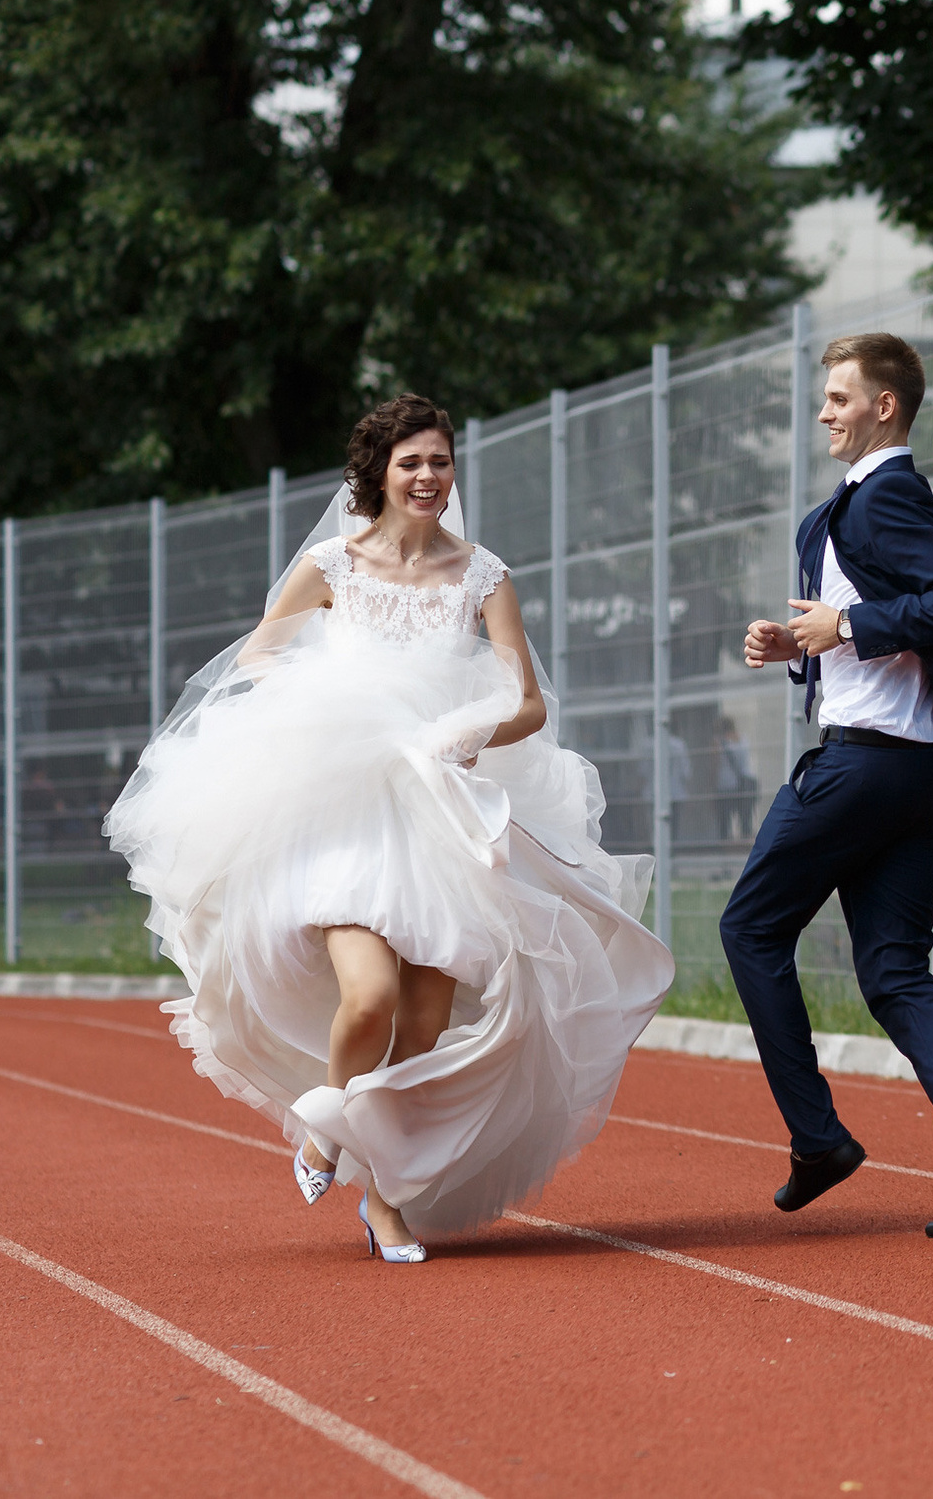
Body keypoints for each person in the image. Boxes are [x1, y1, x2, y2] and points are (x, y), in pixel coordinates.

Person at [104, 395, 671, 1262]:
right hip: (347, 808)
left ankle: (386, 1203)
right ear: (377, 472)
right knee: (367, 998)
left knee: (424, 1027)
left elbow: (525, 704)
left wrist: (462, 733)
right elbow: (259, 657)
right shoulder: (334, 564)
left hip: (442, 809)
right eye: (412, 462)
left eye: (440, 461)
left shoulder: (482, 573)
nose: (429, 477)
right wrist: (338, 698)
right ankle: (326, 1129)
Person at [728, 331, 933, 1240]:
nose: (823, 411)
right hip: (914, 775)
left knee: (749, 928)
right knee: (894, 972)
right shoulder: (852, 508)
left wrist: (851, 622)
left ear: (884, 406)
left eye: (839, 397)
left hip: (865, 767)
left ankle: (817, 1137)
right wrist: (798, 642)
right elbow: (866, 631)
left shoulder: (889, 495)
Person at [714, 716, 759, 841]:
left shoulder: (718, 742)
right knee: (745, 819)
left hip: (725, 784)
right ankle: (745, 848)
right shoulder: (744, 740)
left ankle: (725, 848)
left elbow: (715, 764)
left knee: (724, 820)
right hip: (745, 782)